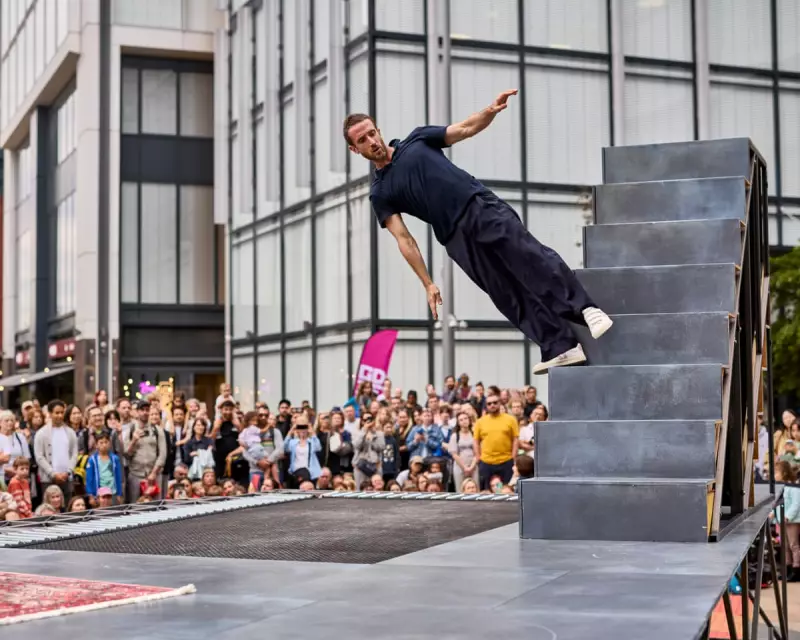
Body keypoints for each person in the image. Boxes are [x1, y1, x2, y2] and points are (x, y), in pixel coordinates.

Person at [343, 91, 613, 374]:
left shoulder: (417, 139)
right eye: (362, 140)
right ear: (354, 149)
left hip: (480, 207)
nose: (372, 142)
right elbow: (404, 239)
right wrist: (427, 284)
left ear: (379, 129)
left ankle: (585, 309)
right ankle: (561, 346)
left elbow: (464, 128)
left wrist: (490, 111)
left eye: (372, 133)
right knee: (505, 292)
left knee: (529, 256)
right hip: (455, 239)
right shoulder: (380, 193)